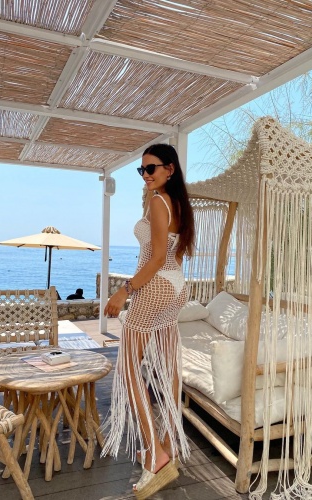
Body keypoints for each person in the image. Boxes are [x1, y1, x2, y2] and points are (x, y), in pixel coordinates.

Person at [102, 143, 195, 499]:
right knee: (170, 367)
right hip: (177, 287)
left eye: (151, 168)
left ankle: (155, 453)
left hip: (155, 286)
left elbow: (155, 258)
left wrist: (123, 291)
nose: (146, 175)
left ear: (170, 169)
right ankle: (168, 443)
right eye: (141, 170)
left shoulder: (159, 202)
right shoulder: (178, 203)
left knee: (128, 369)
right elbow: (171, 256)